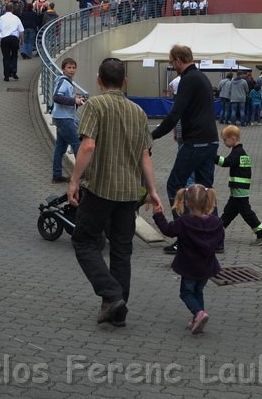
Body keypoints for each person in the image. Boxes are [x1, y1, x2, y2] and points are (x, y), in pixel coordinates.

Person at [68, 58, 162, 328]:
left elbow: (88, 146)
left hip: (100, 188)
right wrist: (152, 190)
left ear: (98, 80)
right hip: (130, 192)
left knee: (84, 241)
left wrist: (74, 180)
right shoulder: (138, 112)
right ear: (125, 81)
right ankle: (117, 308)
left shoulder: (94, 105)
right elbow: (145, 154)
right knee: (122, 250)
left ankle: (111, 295)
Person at [151, 45, 221, 254]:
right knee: (206, 188)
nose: (172, 66)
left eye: (172, 62)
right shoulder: (201, 77)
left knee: (175, 185)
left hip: (196, 142)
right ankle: (215, 237)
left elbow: (175, 114)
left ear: (179, 60)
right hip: (211, 140)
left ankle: (185, 235)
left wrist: (152, 136)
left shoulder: (188, 80)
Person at [152, 184, 224, 334]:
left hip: (189, 266)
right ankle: (198, 318)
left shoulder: (184, 222)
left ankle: (198, 313)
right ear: (207, 201)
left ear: (187, 203)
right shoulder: (216, 222)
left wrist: (158, 215)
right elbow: (219, 240)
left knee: (186, 293)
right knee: (198, 291)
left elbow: (168, 230)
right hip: (206, 266)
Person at [216, 125, 262, 246]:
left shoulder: (238, 153)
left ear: (233, 138)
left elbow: (226, 162)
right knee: (228, 212)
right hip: (239, 189)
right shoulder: (240, 152)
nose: (224, 142)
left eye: (225, 140)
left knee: (246, 213)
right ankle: (217, 231)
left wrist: (213, 157)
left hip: (239, 189)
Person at [52, 57, 86, 183]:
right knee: (77, 143)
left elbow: (64, 100)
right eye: (69, 68)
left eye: (73, 68)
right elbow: (56, 97)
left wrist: (77, 101)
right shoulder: (63, 82)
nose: (72, 70)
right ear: (63, 69)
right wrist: (74, 100)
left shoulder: (67, 82)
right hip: (64, 118)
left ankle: (57, 175)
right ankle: (82, 174)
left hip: (62, 117)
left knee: (60, 147)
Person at [0, 2, 23, 81]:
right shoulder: (16, 18)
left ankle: (6, 76)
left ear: (5, 9)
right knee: (14, 55)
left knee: (6, 57)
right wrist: (22, 40)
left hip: (4, 39)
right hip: (14, 38)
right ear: (12, 9)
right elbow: (21, 31)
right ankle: (14, 72)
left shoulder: (1, 18)